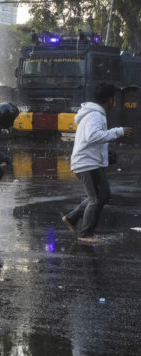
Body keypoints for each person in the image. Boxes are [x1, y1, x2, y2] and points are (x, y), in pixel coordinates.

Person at [62, 83, 131, 243]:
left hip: (91, 162)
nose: (114, 102)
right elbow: (92, 136)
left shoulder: (96, 114)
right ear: (109, 99)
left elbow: (93, 139)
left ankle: (72, 218)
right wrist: (117, 132)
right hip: (87, 163)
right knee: (97, 198)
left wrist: (106, 153)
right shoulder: (95, 115)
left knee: (102, 195)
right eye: (113, 99)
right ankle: (86, 234)